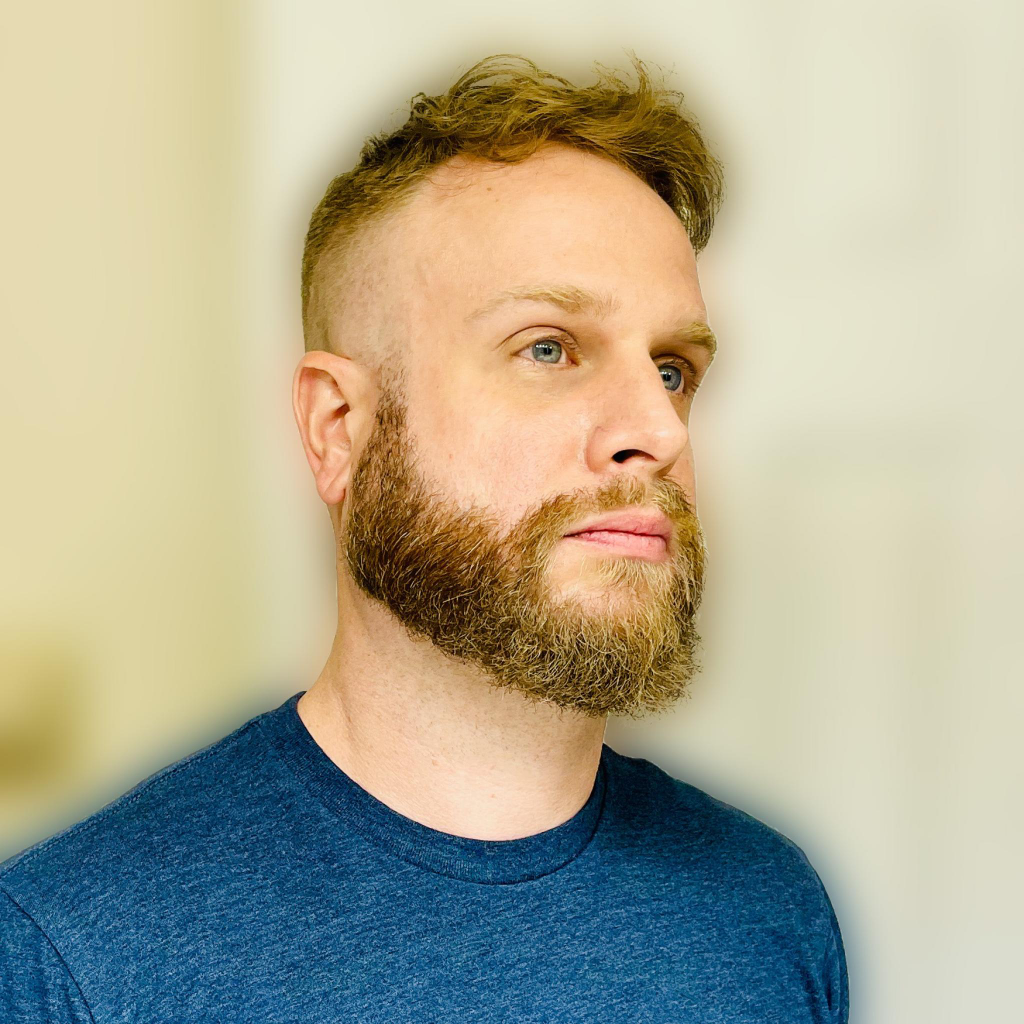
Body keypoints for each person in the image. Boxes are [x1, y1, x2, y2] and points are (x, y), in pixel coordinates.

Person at [0, 54, 849, 1022]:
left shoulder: (767, 909)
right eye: (547, 348)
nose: (658, 430)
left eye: (670, 370)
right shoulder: (67, 952)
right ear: (339, 429)